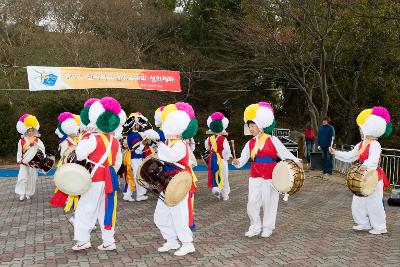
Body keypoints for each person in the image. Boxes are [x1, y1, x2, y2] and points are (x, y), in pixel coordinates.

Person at [232, 102, 301, 238]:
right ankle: (255, 226)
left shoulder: (273, 140)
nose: (251, 129)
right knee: (252, 202)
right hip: (255, 176)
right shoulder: (250, 143)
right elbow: (242, 159)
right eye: (249, 126)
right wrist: (236, 162)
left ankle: (268, 227)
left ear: (260, 125)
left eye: (253, 126)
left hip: (270, 176)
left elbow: (284, 153)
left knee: (270, 202)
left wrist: (297, 161)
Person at [72, 96, 126, 251]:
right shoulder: (115, 141)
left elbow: (80, 154)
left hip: (94, 178)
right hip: (109, 178)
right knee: (106, 209)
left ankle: (83, 240)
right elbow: (117, 163)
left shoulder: (93, 139)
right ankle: (109, 241)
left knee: (85, 208)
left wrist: (85, 136)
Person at [330, 106, 392, 235]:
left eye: (361, 127)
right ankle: (363, 223)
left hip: (373, 177)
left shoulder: (375, 144)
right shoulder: (361, 144)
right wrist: (336, 153)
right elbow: (350, 156)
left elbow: (374, 160)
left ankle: (380, 227)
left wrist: (365, 165)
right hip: (363, 176)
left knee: (374, 203)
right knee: (358, 200)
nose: (360, 130)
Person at [154, 102, 198, 256]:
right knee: (160, 215)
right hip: (167, 183)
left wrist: (159, 145)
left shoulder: (179, 144)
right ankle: (171, 240)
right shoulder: (170, 143)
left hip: (179, 183)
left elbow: (170, 157)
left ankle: (187, 243)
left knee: (179, 214)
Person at [50, 112, 81, 224]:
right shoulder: (65, 142)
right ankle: (70, 200)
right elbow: (64, 156)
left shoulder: (78, 140)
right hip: (68, 166)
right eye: (76, 131)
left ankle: (74, 202)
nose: (78, 132)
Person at [15, 114, 45, 201]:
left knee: (32, 178)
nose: (30, 132)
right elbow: (19, 150)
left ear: (34, 131)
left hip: (33, 162)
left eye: (32, 131)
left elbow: (42, 149)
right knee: (22, 177)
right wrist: (19, 159)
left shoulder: (37, 140)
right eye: (29, 131)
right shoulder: (22, 140)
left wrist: (35, 145)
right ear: (26, 131)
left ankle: (29, 193)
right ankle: (21, 193)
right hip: (24, 162)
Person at [204, 112, 232, 200]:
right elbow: (227, 150)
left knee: (214, 173)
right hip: (222, 159)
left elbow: (207, 148)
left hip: (212, 159)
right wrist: (225, 157)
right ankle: (225, 195)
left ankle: (216, 188)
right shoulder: (223, 139)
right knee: (224, 175)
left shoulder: (208, 139)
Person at [124, 112, 150, 202]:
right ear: (135, 125)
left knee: (133, 176)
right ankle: (139, 195)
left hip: (133, 157)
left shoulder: (131, 134)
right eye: (138, 125)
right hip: (136, 157)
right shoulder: (135, 134)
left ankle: (128, 194)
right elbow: (137, 149)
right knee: (137, 176)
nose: (140, 126)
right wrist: (144, 142)